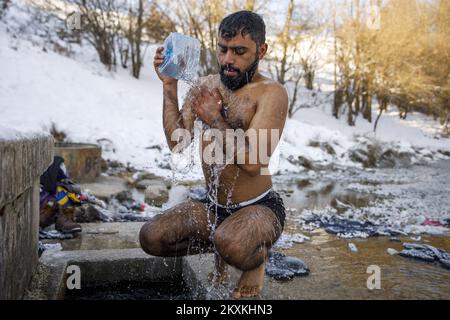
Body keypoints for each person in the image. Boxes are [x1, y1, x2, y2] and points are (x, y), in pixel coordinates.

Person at [139, 10, 288, 298]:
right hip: (212, 208)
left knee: (233, 244)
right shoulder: (207, 85)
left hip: (259, 208)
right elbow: (177, 143)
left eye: (240, 52)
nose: (228, 60)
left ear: (262, 50)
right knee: (152, 238)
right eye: (223, 49)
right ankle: (224, 245)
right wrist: (169, 86)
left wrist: (214, 118)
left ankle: (256, 260)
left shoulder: (271, 93)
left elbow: (254, 163)